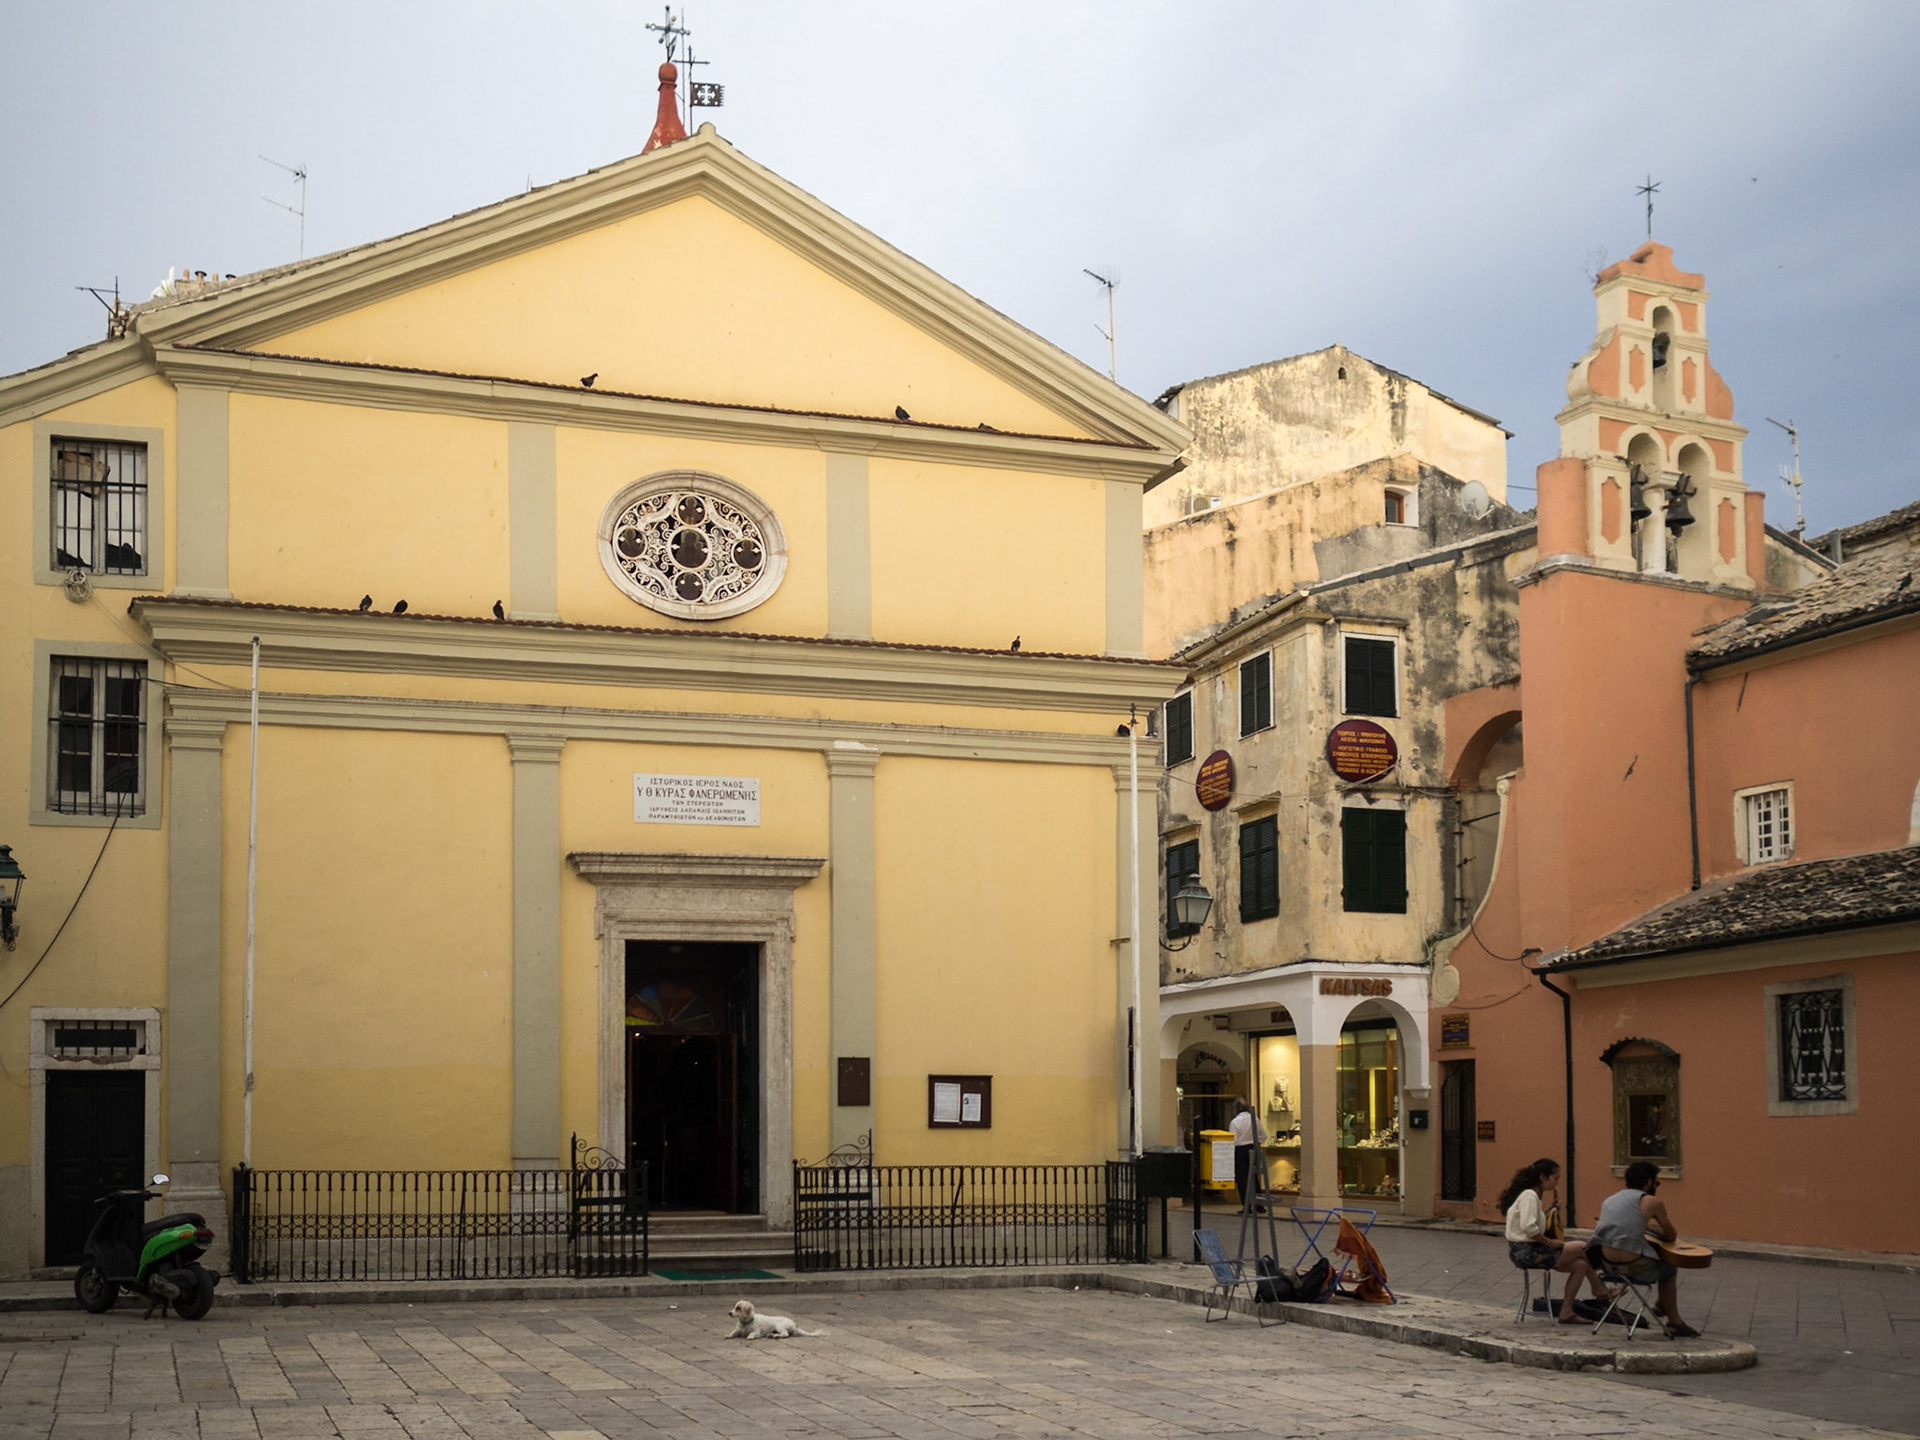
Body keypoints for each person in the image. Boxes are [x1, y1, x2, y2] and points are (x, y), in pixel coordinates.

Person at [1589, 1161, 1700, 1338]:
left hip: (1608, 1267)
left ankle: (1662, 1304)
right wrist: (1655, 1229)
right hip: (1634, 1268)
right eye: (1656, 1182)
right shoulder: (1651, 1201)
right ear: (1648, 1182)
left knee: (1658, 1261)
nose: (1656, 1186)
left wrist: (1646, 1227)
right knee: (1669, 1266)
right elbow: (1670, 1235)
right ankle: (1674, 1321)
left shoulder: (1609, 1200)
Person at [1499, 1157, 1611, 1323]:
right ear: (1543, 1177)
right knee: (1581, 1246)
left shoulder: (1532, 1197)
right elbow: (1529, 1228)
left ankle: (1567, 1311)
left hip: (1528, 1250)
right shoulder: (1529, 1195)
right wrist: (1550, 1243)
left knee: (1580, 1265)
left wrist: (1549, 1209)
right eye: (1555, 1178)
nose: (1557, 1183)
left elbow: (1533, 1222)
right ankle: (1599, 1288)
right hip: (1528, 1251)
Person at [1227, 1098, 1265, 1210]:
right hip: (1253, 1148)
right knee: (1254, 1176)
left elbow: (1233, 1140)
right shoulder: (1255, 1119)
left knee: (1242, 1179)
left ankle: (1246, 1205)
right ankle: (1259, 1205)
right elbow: (1263, 1136)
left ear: (1236, 1109)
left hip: (1240, 1150)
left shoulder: (1235, 1122)